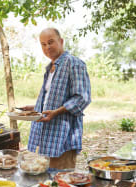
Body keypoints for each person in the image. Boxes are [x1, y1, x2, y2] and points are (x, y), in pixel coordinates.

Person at [22, 28, 91, 169]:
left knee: (61, 180)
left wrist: (56, 112)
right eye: (43, 44)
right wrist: (35, 108)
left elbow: (82, 98)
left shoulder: (74, 64)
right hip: (46, 136)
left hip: (63, 136)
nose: (47, 47)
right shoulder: (50, 68)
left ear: (61, 41)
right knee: (46, 182)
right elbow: (51, 98)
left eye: (51, 42)